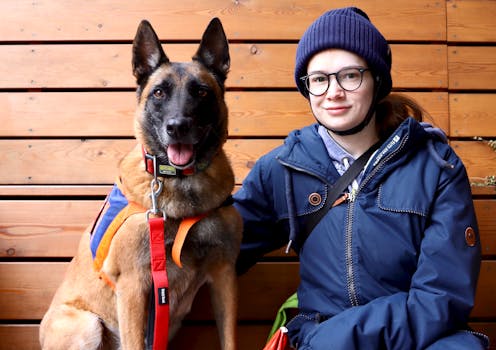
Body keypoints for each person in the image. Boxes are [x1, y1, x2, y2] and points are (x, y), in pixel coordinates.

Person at [233, 6, 490, 349]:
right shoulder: (283, 168)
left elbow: (442, 296)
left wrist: (341, 338)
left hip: (419, 339)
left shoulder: (436, 166)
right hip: (319, 334)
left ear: (377, 81)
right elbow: (221, 246)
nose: (333, 92)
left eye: (350, 75)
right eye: (320, 79)